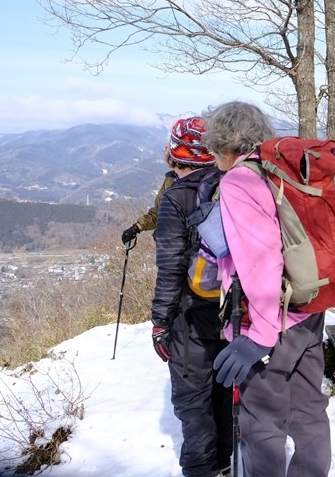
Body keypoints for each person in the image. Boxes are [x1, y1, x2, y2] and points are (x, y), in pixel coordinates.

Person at [203, 102, 331, 477]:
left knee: (262, 425)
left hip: (270, 319)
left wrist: (259, 335)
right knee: (309, 411)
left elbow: (261, 260)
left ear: (226, 144)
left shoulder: (240, 181)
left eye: (214, 148)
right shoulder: (283, 168)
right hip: (309, 306)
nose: (212, 157)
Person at [150, 117, 233, 477]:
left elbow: (170, 265)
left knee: (193, 397)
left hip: (192, 311)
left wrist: (160, 321)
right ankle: (227, 462)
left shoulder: (176, 197)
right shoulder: (235, 183)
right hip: (234, 307)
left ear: (175, 153)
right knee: (226, 388)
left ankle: (201, 469)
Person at [121, 156, 175, 245]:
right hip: (170, 245)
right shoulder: (170, 179)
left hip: (189, 246)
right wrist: (136, 227)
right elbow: (159, 213)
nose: (165, 152)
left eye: (168, 149)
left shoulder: (196, 181)